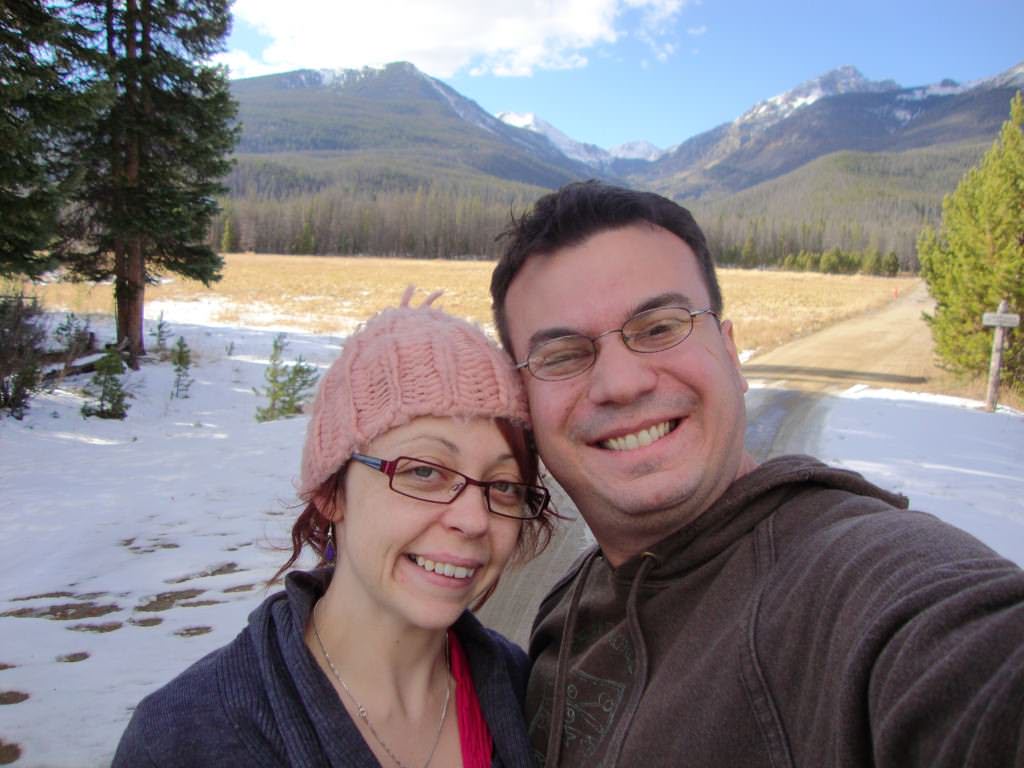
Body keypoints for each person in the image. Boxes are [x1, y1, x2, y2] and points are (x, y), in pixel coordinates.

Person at [489, 180, 1024, 767]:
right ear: (526, 408)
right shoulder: (564, 616)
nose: (621, 383)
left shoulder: (855, 580)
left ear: (732, 354)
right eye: (562, 355)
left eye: (660, 328)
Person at [113, 288, 554, 767]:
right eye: (424, 472)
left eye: (504, 486)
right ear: (331, 491)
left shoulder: (524, 693)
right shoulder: (187, 736)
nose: (474, 519)